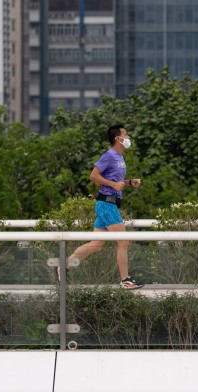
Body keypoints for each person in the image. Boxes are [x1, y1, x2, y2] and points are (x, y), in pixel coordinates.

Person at [65, 123, 143, 289]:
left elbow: (116, 182)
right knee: (123, 241)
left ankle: (64, 265)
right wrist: (113, 185)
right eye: (126, 135)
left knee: (97, 244)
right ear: (118, 138)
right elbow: (93, 175)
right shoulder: (109, 155)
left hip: (106, 204)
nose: (129, 138)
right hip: (107, 204)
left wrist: (129, 182)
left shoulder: (120, 157)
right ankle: (125, 280)